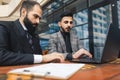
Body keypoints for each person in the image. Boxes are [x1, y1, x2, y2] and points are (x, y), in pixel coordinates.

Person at [0, 0, 64, 66]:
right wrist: (43, 58)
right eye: (35, 16)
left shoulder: (35, 36)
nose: (38, 21)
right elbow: (1, 55)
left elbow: (39, 57)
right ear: (23, 12)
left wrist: (50, 59)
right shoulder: (4, 27)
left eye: (39, 18)